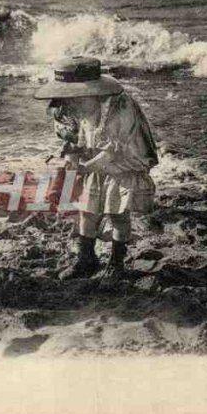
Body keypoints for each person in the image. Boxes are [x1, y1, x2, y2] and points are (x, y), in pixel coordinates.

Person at [34, 57, 158, 282]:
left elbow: (113, 151)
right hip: (93, 162)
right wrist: (70, 162)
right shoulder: (65, 106)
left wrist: (84, 167)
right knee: (87, 212)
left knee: (117, 214)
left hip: (122, 165)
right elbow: (72, 140)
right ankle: (86, 258)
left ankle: (116, 264)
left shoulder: (120, 106)